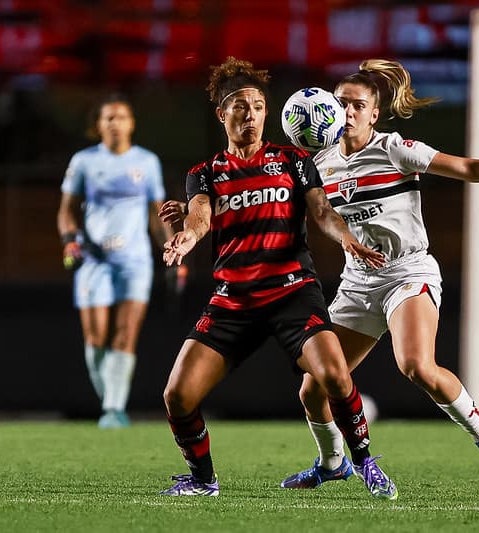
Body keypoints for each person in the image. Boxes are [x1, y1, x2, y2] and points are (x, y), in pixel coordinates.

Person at [273, 59, 479, 488]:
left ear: (374, 113)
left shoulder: (394, 149)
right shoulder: (320, 163)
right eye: (340, 103)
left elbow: (467, 169)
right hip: (357, 282)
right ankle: (333, 464)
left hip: (407, 271)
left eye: (356, 105)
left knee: (416, 366)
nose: (346, 112)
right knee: (313, 388)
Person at [157, 57, 396, 499]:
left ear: (269, 114)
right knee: (177, 396)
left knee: (336, 378)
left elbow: (322, 211)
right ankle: (203, 480)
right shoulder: (205, 173)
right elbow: (199, 216)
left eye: (259, 107)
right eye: (241, 107)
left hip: (291, 294)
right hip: (235, 300)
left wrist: (346, 238)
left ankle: (364, 463)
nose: (250, 115)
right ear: (221, 115)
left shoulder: (293, 160)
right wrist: (185, 237)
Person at [56, 94, 174, 429]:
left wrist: (171, 249)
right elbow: (66, 210)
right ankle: (111, 403)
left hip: (135, 260)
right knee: (95, 340)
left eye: (121, 117)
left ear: (131, 124)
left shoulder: (147, 162)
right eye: (108, 118)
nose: (115, 123)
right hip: (94, 261)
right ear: (98, 125)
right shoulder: (84, 162)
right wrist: (69, 241)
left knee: (125, 335)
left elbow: (157, 214)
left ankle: (113, 410)